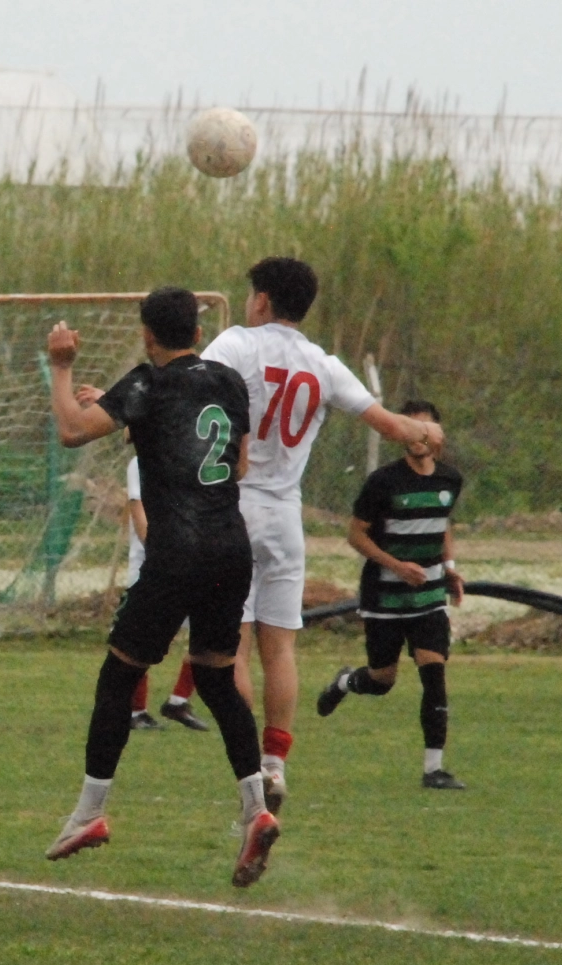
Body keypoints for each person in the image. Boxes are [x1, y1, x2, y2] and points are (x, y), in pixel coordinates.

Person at [44, 287, 280, 888]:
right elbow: (238, 463)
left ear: (147, 335)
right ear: (197, 333)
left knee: (119, 676)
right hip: (231, 547)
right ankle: (256, 808)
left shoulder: (146, 383)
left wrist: (62, 366)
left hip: (178, 550)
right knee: (216, 679)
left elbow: (71, 429)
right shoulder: (228, 381)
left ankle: (88, 814)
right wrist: (142, 428)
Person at [201, 257, 444, 811]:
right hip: (286, 518)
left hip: (232, 509)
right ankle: (275, 763)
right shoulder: (322, 363)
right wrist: (427, 432)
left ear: (262, 300)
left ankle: (246, 768)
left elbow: (190, 390)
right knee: (280, 646)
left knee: (232, 644)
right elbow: (392, 426)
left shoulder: (235, 344)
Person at [315, 400, 467, 789]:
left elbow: (443, 525)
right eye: (410, 428)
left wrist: (449, 569)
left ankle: (434, 769)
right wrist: (397, 566)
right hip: (384, 597)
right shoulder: (383, 482)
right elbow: (355, 535)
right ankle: (345, 682)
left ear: (438, 434)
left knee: (434, 673)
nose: (418, 437)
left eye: (425, 429)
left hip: (429, 596)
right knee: (382, 680)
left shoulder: (450, 479)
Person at [123, 451, 209, 733]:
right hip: (153, 564)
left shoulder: (191, 457)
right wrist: (163, 555)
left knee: (210, 633)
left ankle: (178, 701)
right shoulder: (142, 462)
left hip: (190, 560)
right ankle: (136, 711)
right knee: (142, 639)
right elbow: (140, 516)